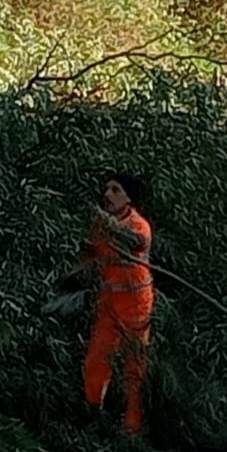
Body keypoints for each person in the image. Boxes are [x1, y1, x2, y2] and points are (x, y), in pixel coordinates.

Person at [67, 172, 155, 437]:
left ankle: (133, 427)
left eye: (115, 190)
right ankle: (94, 417)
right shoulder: (101, 226)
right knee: (96, 359)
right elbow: (90, 253)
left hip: (136, 304)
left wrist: (108, 224)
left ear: (128, 197)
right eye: (106, 189)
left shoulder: (138, 225)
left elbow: (135, 243)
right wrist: (70, 277)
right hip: (108, 302)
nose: (107, 195)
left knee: (134, 365)